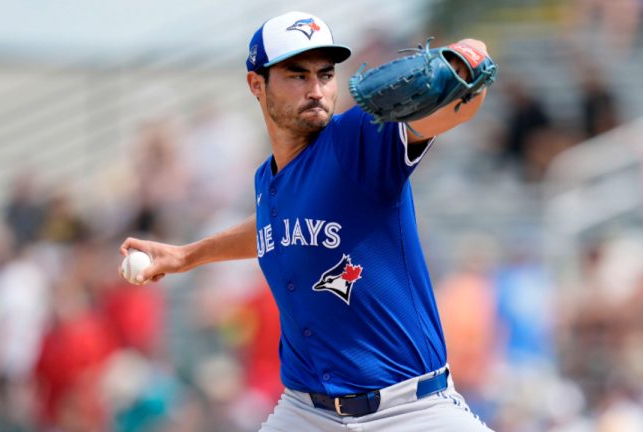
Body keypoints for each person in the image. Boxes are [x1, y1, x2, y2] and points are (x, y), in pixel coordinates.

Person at [120, 11, 494, 431]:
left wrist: (467, 61)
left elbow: (455, 110)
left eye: (325, 74)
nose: (316, 89)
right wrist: (186, 256)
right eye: (297, 75)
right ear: (256, 85)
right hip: (306, 412)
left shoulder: (357, 140)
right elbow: (272, 229)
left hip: (410, 410)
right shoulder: (268, 179)